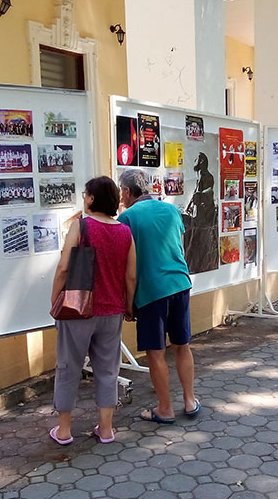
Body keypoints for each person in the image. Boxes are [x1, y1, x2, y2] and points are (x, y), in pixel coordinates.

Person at [49, 176, 136, 445]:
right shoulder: (125, 232)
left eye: (86, 194)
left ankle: (64, 430)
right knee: (108, 370)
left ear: (93, 198)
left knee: (68, 367)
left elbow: (64, 267)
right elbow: (130, 276)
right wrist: (129, 307)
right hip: (111, 311)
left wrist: (55, 299)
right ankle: (106, 429)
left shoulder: (81, 226)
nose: (84, 198)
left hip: (78, 309)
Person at [118, 169, 200, 424]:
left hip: (151, 291)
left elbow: (128, 269)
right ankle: (189, 400)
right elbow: (180, 245)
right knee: (182, 345)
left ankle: (165, 408)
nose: (121, 196)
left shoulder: (127, 218)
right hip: (179, 283)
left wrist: (128, 302)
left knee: (155, 352)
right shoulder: (171, 210)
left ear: (128, 192)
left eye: (122, 191)